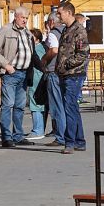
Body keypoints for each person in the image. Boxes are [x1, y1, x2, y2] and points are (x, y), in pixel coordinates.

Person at [0, 6, 36, 148]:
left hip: (24, 73)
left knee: (20, 106)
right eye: (22, 18)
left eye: (27, 18)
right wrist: (6, 65)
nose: (25, 21)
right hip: (10, 74)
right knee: (8, 105)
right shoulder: (6, 30)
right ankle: (6, 137)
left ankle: (18, 136)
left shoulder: (27, 32)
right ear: (16, 17)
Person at [56, 1, 90, 155]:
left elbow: (82, 54)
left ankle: (69, 142)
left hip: (74, 74)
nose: (58, 16)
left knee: (69, 107)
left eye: (60, 13)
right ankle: (80, 141)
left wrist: (66, 64)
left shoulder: (79, 30)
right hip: (65, 74)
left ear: (68, 13)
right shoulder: (66, 30)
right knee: (72, 108)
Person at [41, 12, 66, 146]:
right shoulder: (67, 32)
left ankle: (60, 136)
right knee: (65, 105)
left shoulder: (53, 33)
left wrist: (44, 59)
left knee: (56, 106)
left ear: (51, 22)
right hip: (65, 71)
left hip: (53, 71)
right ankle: (67, 135)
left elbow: (54, 50)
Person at [26, 28, 47, 140]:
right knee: (38, 104)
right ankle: (39, 128)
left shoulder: (37, 49)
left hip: (36, 78)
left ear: (37, 39)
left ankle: (38, 130)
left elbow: (40, 64)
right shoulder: (41, 48)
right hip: (38, 77)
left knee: (35, 104)